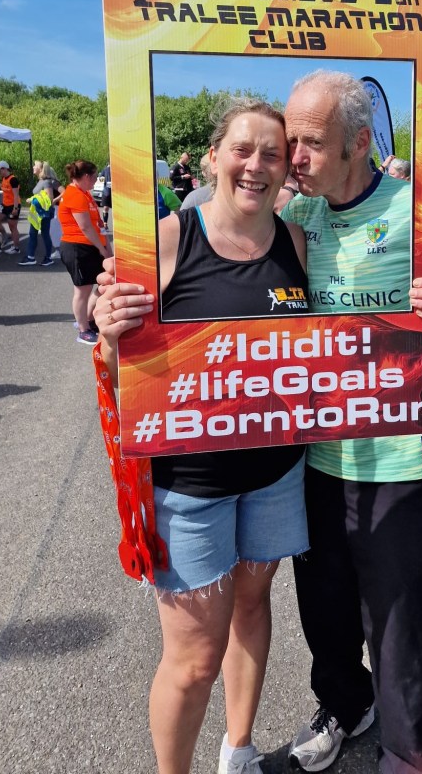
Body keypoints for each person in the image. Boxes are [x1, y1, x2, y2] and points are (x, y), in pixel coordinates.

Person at [279, 71, 422, 774]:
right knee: (325, 614)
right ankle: (345, 704)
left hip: (406, 459)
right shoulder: (297, 216)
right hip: (317, 457)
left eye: (310, 144)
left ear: (358, 143)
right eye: (289, 140)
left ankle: (413, 752)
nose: (293, 156)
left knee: (404, 623)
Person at [93, 101, 310, 774]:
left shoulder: (297, 243)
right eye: (242, 149)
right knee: (193, 661)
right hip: (188, 487)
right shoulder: (163, 240)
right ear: (213, 157)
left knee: (252, 607)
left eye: (272, 154)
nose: (256, 165)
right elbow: (117, 369)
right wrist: (108, 335)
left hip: (276, 474)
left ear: (286, 169)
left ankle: (238, 749)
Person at [59, 160, 112, 345]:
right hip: (77, 247)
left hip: (90, 247)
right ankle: (83, 330)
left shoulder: (85, 194)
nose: (97, 180)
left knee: (104, 282)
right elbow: (85, 227)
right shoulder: (74, 194)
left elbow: (98, 225)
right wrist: (102, 249)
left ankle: (88, 319)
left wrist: (107, 248)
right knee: (82, 290)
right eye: (95, 176)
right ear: (87, 176)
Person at [18, 161, 63, 267]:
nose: (33, 167)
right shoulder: (41, 181)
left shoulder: (47, 182)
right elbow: (42, 196)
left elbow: (49, 198)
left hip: (43, 213)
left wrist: (33, 199)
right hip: (37, 212)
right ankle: (32, 257)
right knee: (35, 233)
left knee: (42, 234)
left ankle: (42, 257)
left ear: (41, 169)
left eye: (35, 165)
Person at [0, 160, 21, 254]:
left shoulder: (13, 180)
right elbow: (4, 187)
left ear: (4, 169)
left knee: (12, 226)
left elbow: (16, 195)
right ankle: (4, 234)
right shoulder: (4, 178)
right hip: (4, 204)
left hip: (13, 205)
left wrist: (15, 208)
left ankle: (16, 248)